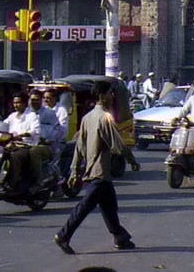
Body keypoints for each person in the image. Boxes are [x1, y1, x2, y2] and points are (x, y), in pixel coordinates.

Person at [55, 79, 134, 254]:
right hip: (99, 171)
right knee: (85, 206)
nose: (112, 96)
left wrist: (74, 170)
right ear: (102, 96)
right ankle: (63, 235)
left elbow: (79, 146)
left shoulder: (87, 117)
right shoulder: (105, 118)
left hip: (96, 170)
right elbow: (118, 145)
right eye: (110, 93)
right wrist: (132, 160)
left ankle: (120, 237)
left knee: (110, 206)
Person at [4, 92, 42, 193]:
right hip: (12, 144)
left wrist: (23, 135)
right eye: (14, 103)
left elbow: (35, 131)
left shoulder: (32, 116)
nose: (15, 105)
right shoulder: (12, 116)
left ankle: (12, 183)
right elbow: (3, 125)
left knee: (14, 156)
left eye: (18, 103)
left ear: (24, 103)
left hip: (26, 145)